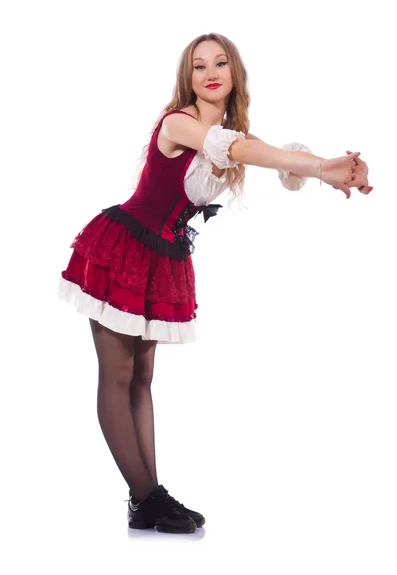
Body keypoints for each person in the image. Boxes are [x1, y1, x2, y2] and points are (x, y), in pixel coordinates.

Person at [57, 32, 372, 535]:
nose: (210, 72)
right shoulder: (179, 122)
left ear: (233, 74)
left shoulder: (232, 136)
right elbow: (242, 149)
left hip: (161, 257)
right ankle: (147, 496)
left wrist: (329, 170)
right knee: (117, 376)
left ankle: (148, 501)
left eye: (220, 62)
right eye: (199, 64)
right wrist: (318, 166)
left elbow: (263, 153)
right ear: (188, 76)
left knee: (142, 378)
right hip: (123, 250)